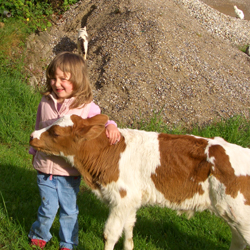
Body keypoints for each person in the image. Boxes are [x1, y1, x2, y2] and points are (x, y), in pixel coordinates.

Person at [28, 51, 121, 250]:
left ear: (77, 81)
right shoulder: (45, 102)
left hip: (69, 172)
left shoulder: (85, 107)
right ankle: (40, 233)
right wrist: (33, 152)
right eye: (53, 78)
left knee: (69, 210)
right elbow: (38, 127)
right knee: (47, 208)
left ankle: (68, 243)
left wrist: (112, 126)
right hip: (45, 168)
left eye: (63, 79)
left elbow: (100, 119)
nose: (56, 83)